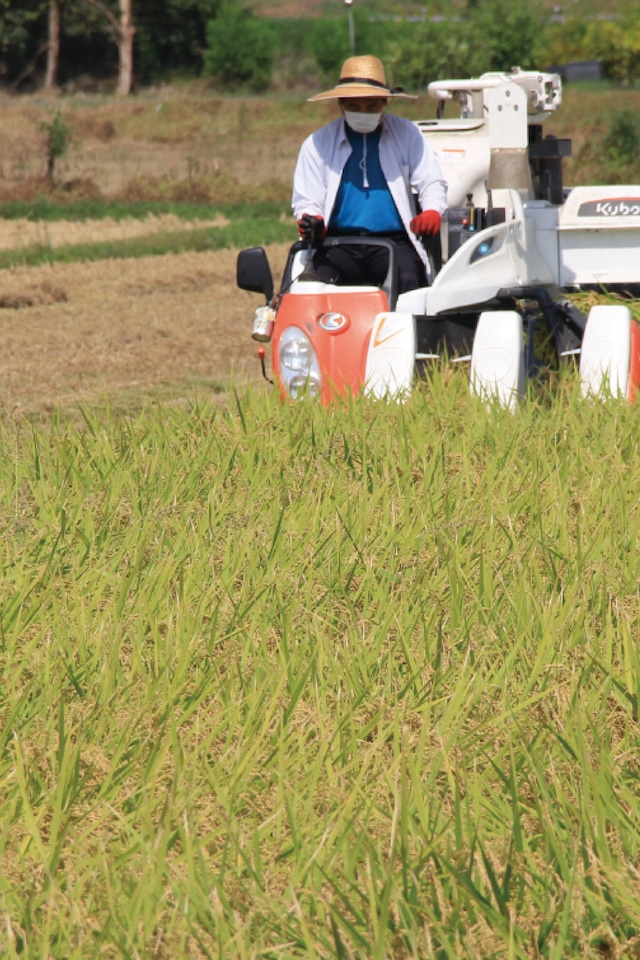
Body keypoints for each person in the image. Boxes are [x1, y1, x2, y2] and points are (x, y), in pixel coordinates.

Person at [292, 55, 448, 294]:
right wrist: (312, 220)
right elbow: (307, 200)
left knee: (408, 280)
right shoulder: (317, 144)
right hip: (337, 243)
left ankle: (410, 331)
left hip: (393, 242)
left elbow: (431, 181)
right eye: (354, 106)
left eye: (372, 106)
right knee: (314, 290)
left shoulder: (407, 134)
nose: (363, 112)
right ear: (341, 104)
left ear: (385, 103)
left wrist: (431, 211)